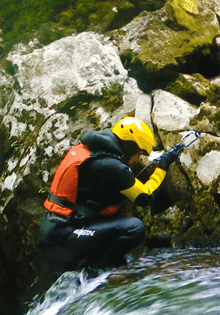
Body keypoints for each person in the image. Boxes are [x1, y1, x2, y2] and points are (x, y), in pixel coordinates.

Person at [38, 116, 183, 274]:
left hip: (55, 230)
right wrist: (163, 166)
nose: (138, 159)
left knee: (115, 225)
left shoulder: (90, 149)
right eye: (139, 153)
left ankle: (98, 267)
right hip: (65, 236)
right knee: (134, 228)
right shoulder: (113, 167)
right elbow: (145, 197)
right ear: (130, 147)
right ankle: (95, 272)